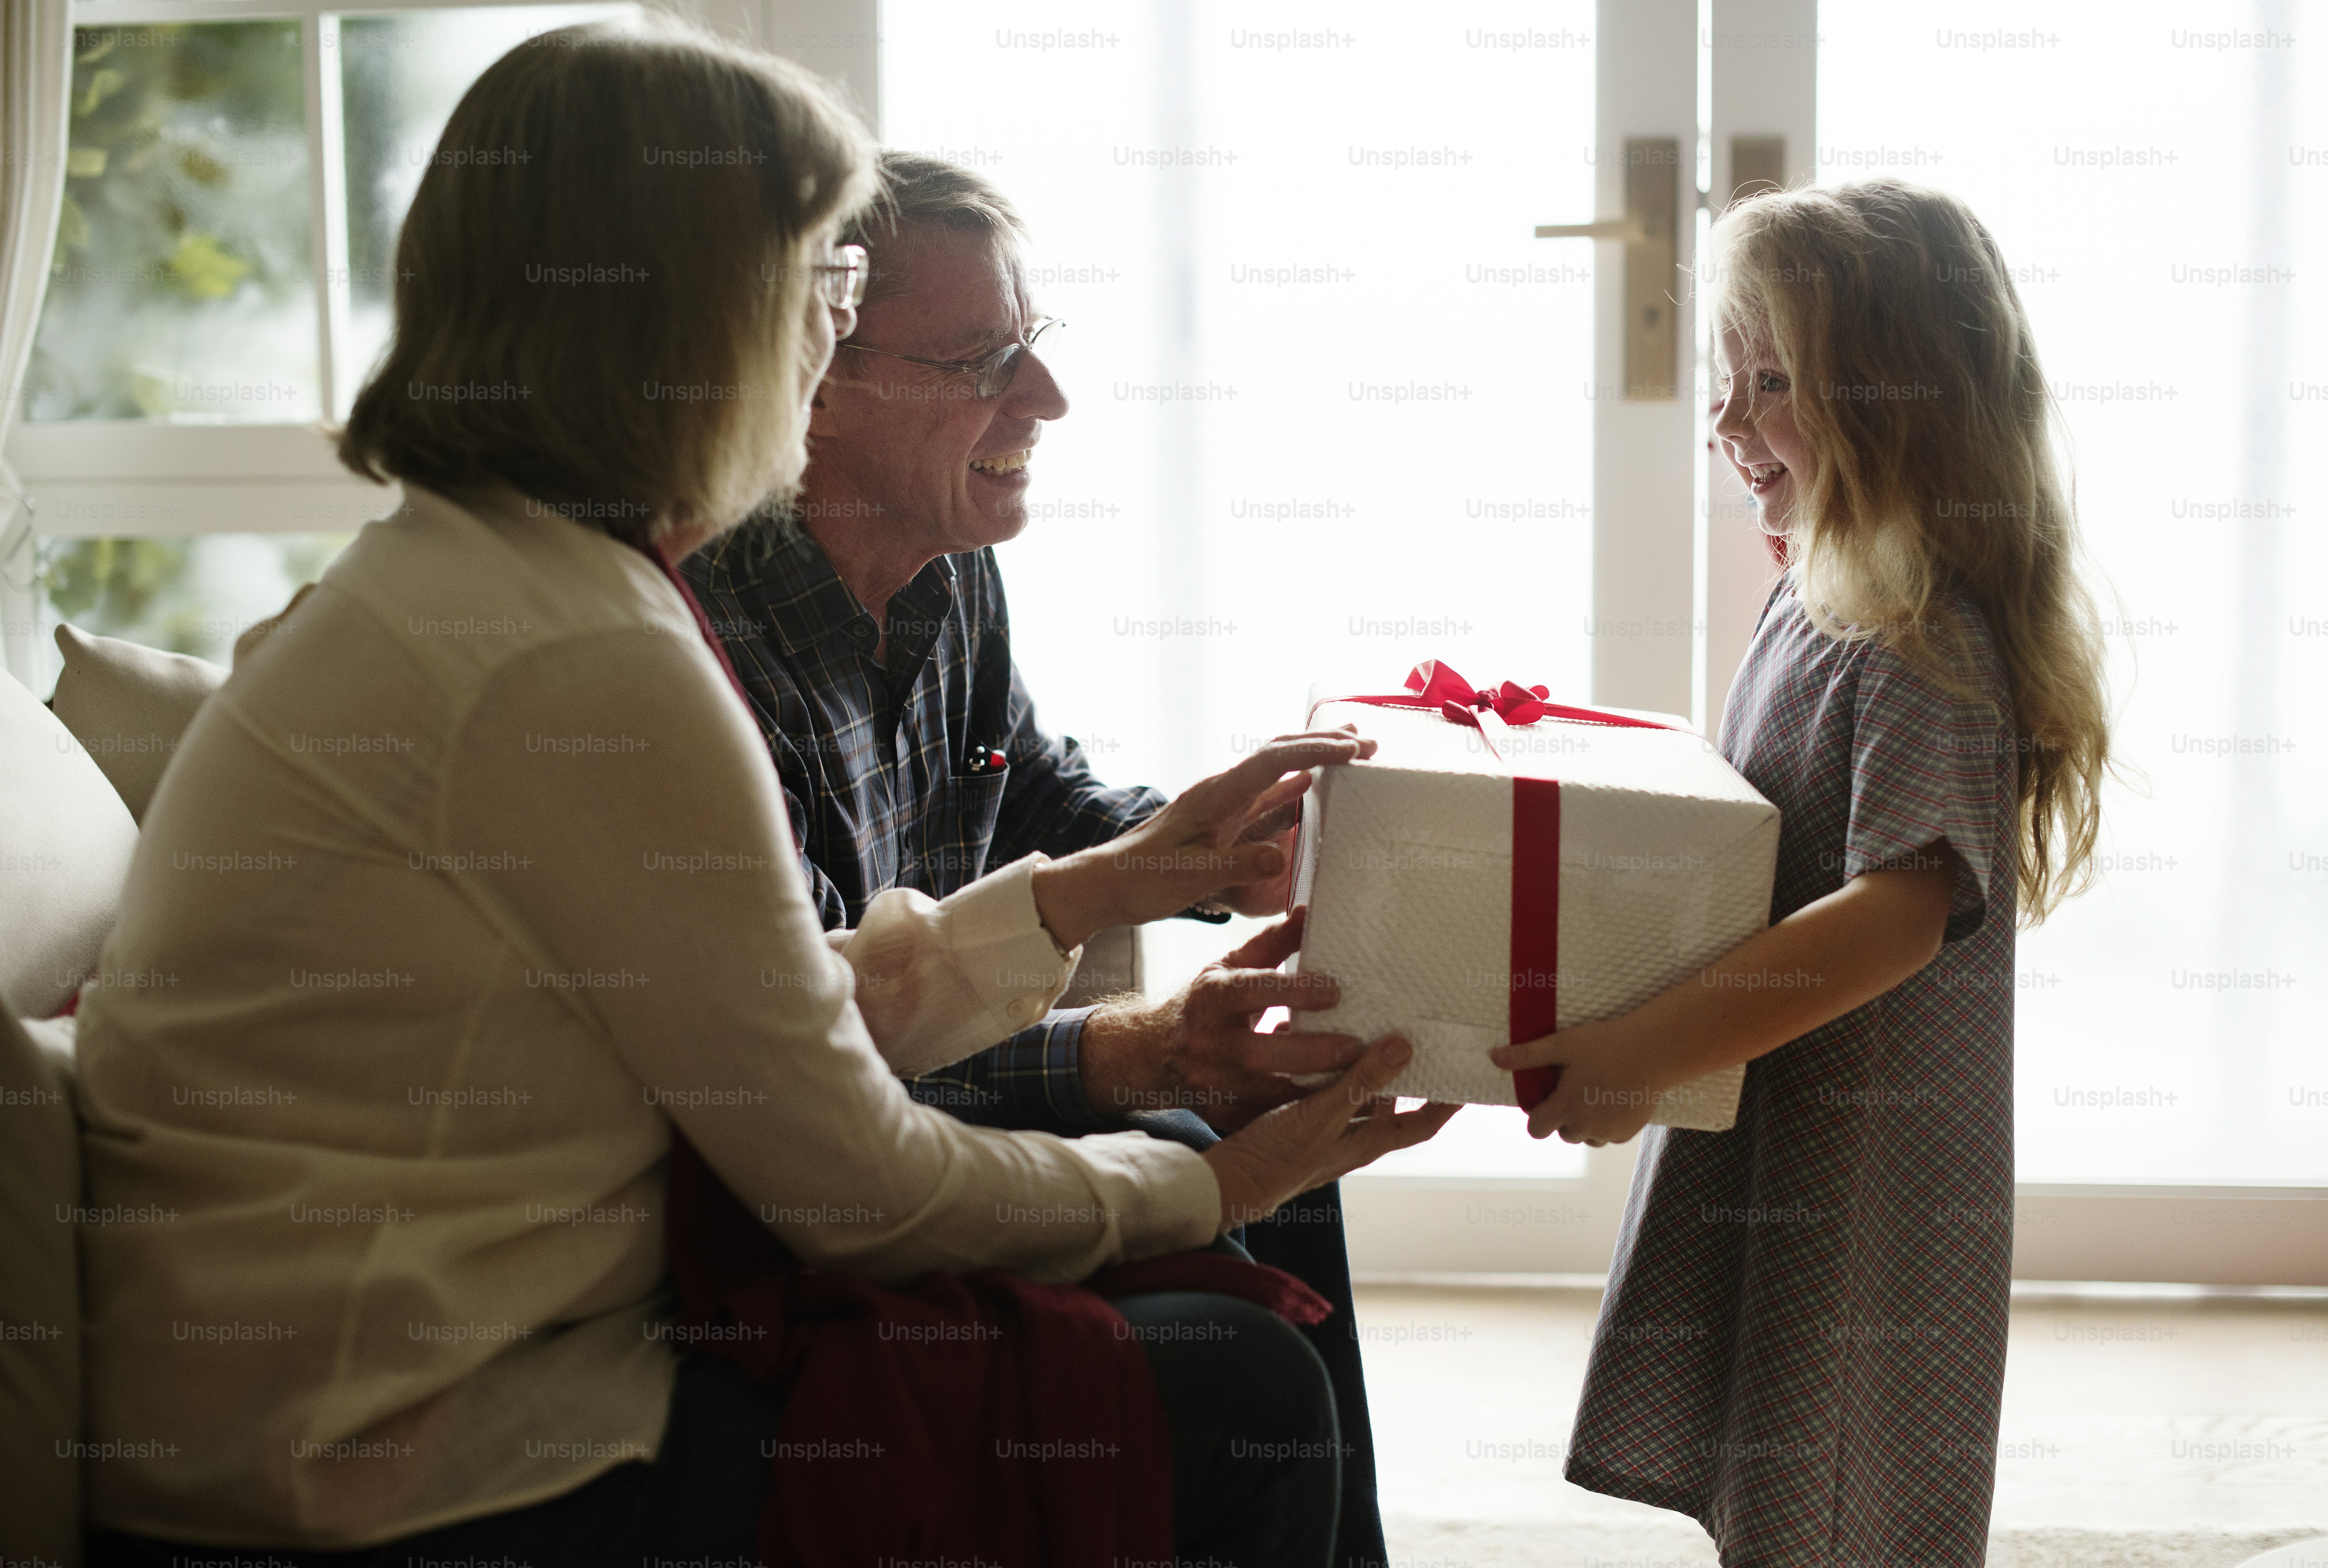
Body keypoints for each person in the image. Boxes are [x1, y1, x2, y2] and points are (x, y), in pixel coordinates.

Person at [73, 20, 1450, 1564]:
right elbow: (856, 1188)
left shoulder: (496, 577)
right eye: (826, 289)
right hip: (396, 1459)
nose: (821, 333)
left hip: (364, 1391)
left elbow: (770, 1011)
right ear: (697, 317)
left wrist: (1117, 886)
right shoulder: (575, 654)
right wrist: (1198, 1189)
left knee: (1222, 1248)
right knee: (1236, 1378)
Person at [681, 150, 1398, 1567]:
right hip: (794, 1190)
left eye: (1036, 346)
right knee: (1230, 1170)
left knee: (1283, 1157)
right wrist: (1127, 1054)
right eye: (984, 361)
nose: (1048, 400)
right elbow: (818, 1072)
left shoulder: (947, 555)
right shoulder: (702, 654)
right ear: (816, 378)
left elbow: (1028, 791)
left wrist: (1217, 854)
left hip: (921, 1084)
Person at [1497, 180, 2110, 1563]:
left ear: (1910, 403)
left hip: (1869, 1171)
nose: (1727, 420)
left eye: (1773, 381)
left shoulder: (1922, 634)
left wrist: (1647, 1048)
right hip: (1794, 1125)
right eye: (1731, 377)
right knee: (1780, 1459)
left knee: (1840, 1475)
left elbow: (1896, 916)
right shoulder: (1823, 587)